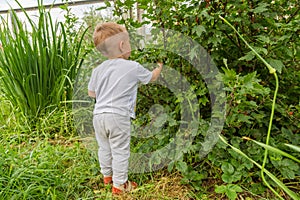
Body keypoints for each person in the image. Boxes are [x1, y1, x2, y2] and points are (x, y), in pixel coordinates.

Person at [88, 22, 163, 195]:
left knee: (104, 147)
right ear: (122, 45)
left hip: (98, 115)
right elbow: (151, 78)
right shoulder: (132, 67)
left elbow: (92, 93)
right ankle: (120, 185)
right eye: (128, 43)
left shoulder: (97, 70)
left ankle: (107, 177)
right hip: (118, 116)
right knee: (120, 150)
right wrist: (159, 67)